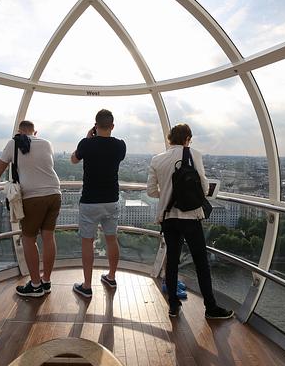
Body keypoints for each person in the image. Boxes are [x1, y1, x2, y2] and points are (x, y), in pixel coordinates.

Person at [147, 123, 234, 319]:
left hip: (168, 217)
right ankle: (210, 307)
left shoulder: (157, 159)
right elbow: (203, 188)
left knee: (172, 262)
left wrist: (168, 193)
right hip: (190, 216)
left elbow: (151, 191)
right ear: (187, 138)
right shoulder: (193, 155)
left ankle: (173, 306)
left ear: (170, 139)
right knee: (201, 262)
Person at [0, 120, 61, 297]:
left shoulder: (13, 143)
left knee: (28, 239)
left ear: (19, 131)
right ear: (35, 132)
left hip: (33, 197)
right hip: (54, 194)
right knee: (49, 237)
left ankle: (35, 285)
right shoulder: (46, 143)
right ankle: (46, 281)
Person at [70, 109, 126, 298]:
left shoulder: (86, 144)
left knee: (87, 242)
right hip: (111, 199)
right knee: (111, 239)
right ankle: (111, 276)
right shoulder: (120, 146)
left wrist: (87, 139)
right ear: (112, 126)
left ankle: (86, 286)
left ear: (95, 125)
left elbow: (74, 160)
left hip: (90, 201)